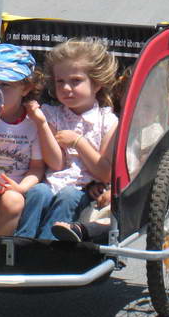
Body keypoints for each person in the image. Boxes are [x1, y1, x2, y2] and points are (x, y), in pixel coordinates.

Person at [14, 39, 119, 240]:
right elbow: (57, 164)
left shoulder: (107, 121)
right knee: (38, 192)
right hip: (51, 182)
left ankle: (48, 246)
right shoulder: (52, 115)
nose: (66, 88)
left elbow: (105, 173)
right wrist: (42, 125)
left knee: (68, 196)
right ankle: (21, 242)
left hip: (85, 191)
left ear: (96, 84)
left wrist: (78, 142)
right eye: (60, 82)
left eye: (76, 81)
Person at [0, 44, 62, 235]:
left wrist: (21, 188)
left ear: (26, 88)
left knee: (14, 201)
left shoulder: (31, 122)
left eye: (5, 85)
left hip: (3, 197)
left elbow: (37, 168)